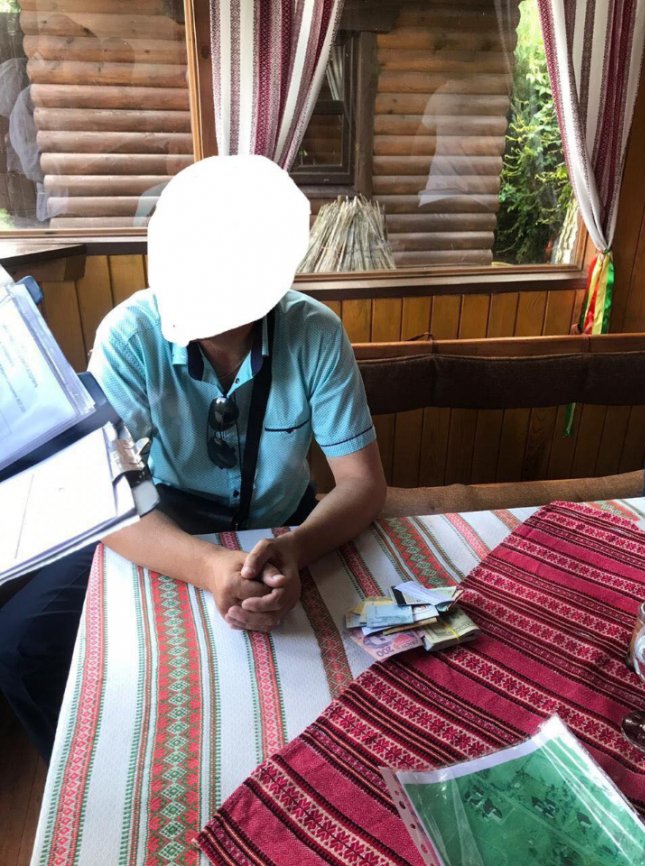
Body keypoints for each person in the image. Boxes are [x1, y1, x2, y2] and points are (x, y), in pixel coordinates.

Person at [0, 155, 386, 758]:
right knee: (21, 646)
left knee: (337, 650)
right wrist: (209, 566)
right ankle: (95, 767)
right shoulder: (131, 335)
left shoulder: (316, 333)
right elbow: (105, 496)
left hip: (283, 520)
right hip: (164, 514)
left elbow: (362, 483)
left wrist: (296, 548)